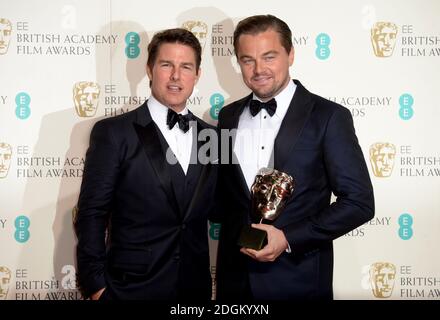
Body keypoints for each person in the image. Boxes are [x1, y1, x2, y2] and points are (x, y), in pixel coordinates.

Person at [214, 14, 374, 300]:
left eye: (269, 56)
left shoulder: (328, 117)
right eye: (247, 59)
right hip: (235, 283)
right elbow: (225, 199)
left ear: (291, 54)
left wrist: (288, 238)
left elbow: (359, 203)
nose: (258, 69)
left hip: (298, 282)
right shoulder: (228, 116)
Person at [75, 28, 216, 300]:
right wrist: (96, 286)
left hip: (194, 287)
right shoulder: (114, 132)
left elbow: (219, 207)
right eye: (167, 65)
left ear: (197, 74)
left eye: (186, 67)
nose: (176, 76)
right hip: (129, 288)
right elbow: (92, 213)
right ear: (150, 69)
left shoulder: (212, 136)